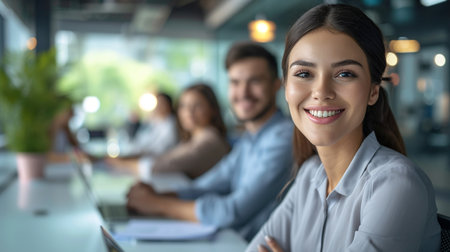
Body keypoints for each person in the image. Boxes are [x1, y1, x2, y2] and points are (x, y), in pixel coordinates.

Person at [246, 4, 441, 252]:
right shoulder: (309, 175)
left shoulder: (396, 184)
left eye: (345, 74)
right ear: (286, 87)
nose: (321, 92)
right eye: (304, 74)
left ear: (373, 90)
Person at [126, 42, 294, 241]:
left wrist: (156, 204)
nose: (243, 92)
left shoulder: (284, 138)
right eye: (235, 82)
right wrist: (161, 194)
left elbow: (233, 212)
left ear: (277, 85)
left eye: (255, 81)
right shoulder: (250, 139)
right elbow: (208, 185)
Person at [151, 83, 230, 179]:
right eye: (183, 106)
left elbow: (161, 166)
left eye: (197, 105)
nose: (189, 112)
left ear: (213, 109)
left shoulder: (210, 140)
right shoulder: (193, 138)